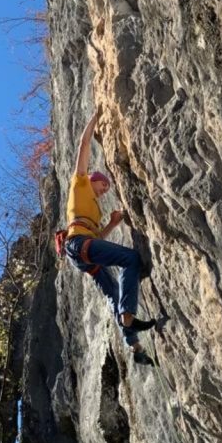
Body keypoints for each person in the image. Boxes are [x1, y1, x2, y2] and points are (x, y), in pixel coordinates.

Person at [63, 111, 156, 366]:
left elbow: (97, 241)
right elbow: (83, 145)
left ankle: (135, 346)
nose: (105, 190)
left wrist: (113, 225)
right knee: (130, 259)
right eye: (103, 185)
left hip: (83, 251)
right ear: (93, 179)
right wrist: (95, 116)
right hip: (78, 245)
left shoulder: (93, 208)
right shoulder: (80, 184)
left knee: (114, 292)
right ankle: (128, 317)